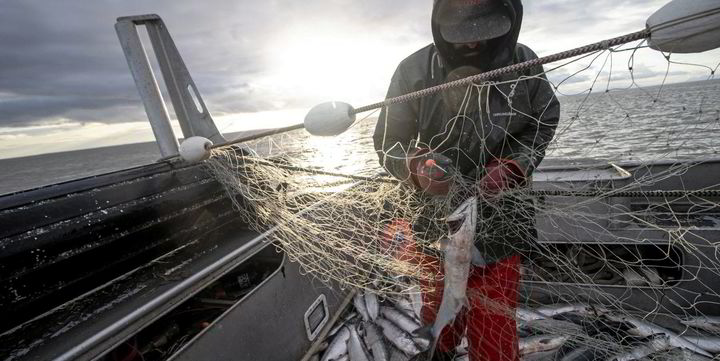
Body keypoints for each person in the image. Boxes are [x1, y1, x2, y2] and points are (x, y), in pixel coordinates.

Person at [373, 0, 559, 360]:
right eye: (461, 32)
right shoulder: (413, 71)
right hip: (435, 221)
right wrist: (417, 169)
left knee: (494, 329)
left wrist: (513, 165)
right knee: (438, 310)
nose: (472, 43)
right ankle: (440, 348)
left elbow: (544, 121)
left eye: (485, 30)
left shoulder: (524, 62)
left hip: (502, 222)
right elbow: (387, 142)